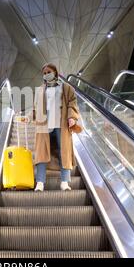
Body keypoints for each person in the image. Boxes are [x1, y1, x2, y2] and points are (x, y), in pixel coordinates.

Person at [31, 63, 79, 192]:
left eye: (49, 72)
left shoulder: (66, 87)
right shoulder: (40, 89)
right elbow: (35, 107)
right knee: (41, 153)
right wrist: (31, 117)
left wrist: (72, 117)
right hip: (44, 126)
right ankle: (40, 183)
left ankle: (64, 182)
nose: (46, 75)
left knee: (64, 152)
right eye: (44, 73)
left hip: (61, 125)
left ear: (55, 72)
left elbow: (72, 103)